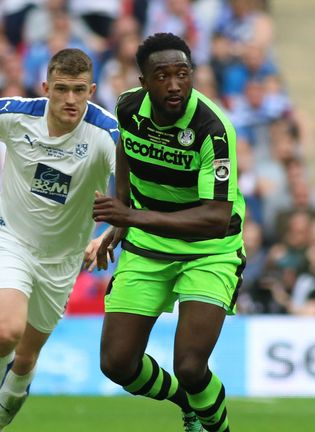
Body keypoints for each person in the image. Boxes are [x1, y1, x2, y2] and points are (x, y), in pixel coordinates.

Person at [0, 48, 118, 432]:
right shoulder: (18, 114)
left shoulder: (107, 135)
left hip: (63, 260)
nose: (71, 99)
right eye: (62, 89)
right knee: (6, 332)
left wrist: (108, 235)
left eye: (80, 90)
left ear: (92, 90)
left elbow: (138, 194)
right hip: (10, 240)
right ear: (46, 87)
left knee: (26, 357)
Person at [92, 33, 245, 432]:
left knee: (192, 366)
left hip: (210, 250)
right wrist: (123, 211)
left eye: (183, 74)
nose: (175, 84)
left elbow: (214, 217)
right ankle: (187, 403)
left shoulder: (213, 128)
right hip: (148, 247)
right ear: (143, 82)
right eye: (162, 76)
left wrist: (131, 218)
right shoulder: (128, 107)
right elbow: (126, 147)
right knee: (116, 364)